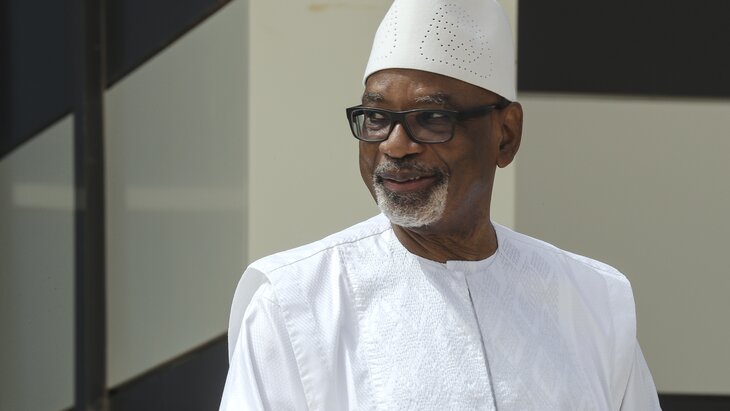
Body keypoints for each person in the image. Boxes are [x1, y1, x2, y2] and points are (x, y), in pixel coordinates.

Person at [220, 0, 661, 409]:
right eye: (377, 118)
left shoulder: (592, 302)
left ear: (506, 135)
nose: (395, 146)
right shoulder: (297, 303)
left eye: (432, 118)